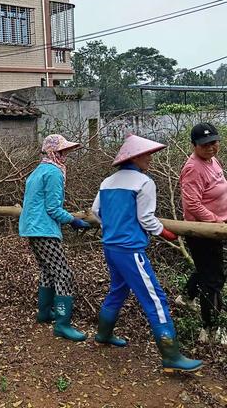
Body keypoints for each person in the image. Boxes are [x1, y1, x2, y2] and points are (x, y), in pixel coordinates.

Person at [91, 134, 202, 373]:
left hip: (111, 247)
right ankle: (171, 355)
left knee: (118, 290)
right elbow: (146, 219)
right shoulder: (144, 182)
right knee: (155, 299)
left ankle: (103, 335)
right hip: (131, 250)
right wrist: (167, 233)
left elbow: (96, 211)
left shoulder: (107, 182)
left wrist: (112, 226)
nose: (150, 159)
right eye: (146, 155)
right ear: (134, 157)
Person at [19, 134, 91, 342]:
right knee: (64, 273)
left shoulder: (38, 170)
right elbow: (53, 208)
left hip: (32, 228)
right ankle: (62, 324)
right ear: (54, 152)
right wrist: (73, 220)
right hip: (44, 229)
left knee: (48, 270)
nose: (65, 156)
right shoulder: (53, 172)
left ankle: (44, 313)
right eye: (63, 152)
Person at [179, 122, 227, 345]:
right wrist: (216, 223)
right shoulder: (193, 168)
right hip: (203, 231)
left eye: (213, 142)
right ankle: (210, 330)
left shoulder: (213, 161)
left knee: (209, 270)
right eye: (204, 144)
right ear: (194, 145)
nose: (210, 147)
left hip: (216, 228)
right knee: (214, 279)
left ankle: (186, 296)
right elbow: (193, 205)